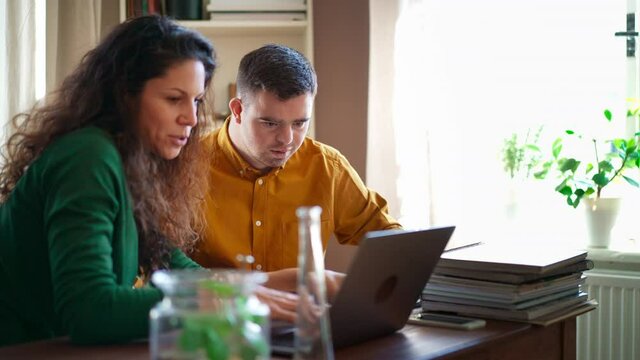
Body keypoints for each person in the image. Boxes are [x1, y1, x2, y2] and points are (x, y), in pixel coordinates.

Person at [0, 15, 219, 347]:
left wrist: (259, 288)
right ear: (126, 94)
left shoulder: (127, 162)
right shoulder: (88, 157)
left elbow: (172, 263)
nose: (191, 118)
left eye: (196, 101)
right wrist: (215, 302)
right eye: (174, 99)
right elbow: (90, 310)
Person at [191, 44, 402, 317]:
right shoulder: (185, 168)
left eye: (300, 123)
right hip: (216, 329)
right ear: (238, 109)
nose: (287, 140)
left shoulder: (327, 166)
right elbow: (159, 272)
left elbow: (392, 241)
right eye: (270, 123)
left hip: (302, 326)